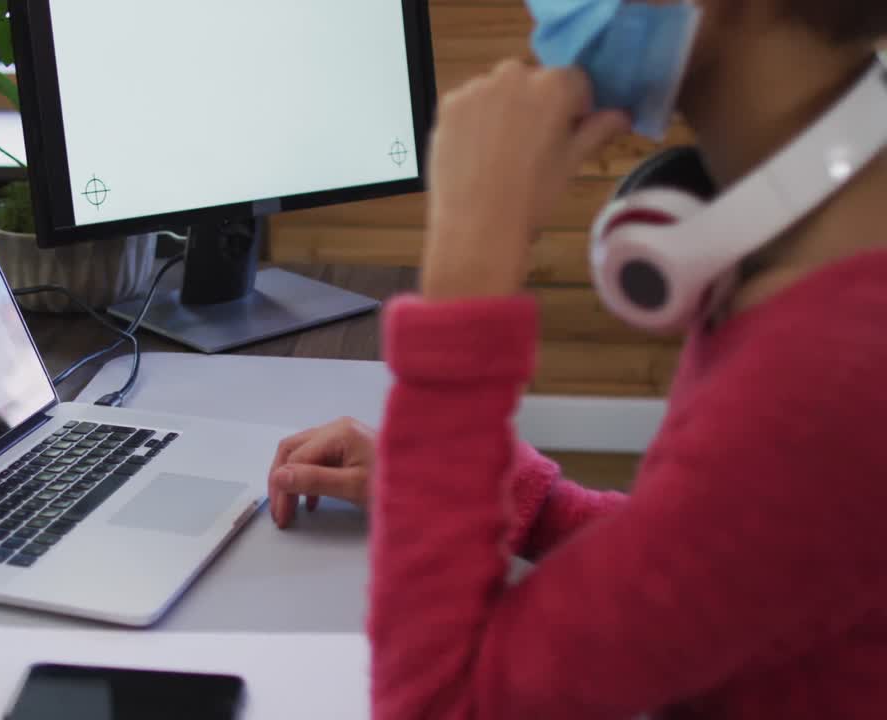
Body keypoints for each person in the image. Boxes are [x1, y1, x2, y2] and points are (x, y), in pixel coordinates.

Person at [267, 0, 887, 716]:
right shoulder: (831, 248)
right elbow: (711, 565)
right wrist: (490, 490)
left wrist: (466, 282)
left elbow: (439, 705)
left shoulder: (825, 378)